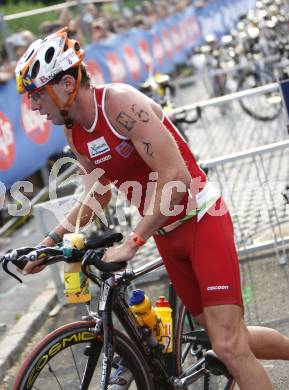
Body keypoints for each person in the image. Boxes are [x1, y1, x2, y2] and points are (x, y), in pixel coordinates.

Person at [14, 27, 289, 389]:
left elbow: (175, 177)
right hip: (165, 235)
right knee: (228, 337)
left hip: (201, 221)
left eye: (36, 94)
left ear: (66, 83)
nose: (33, 106)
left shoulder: (119, 103)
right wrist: (47, 242)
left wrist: (133, 241)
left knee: (228, 346)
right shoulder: (75, 132)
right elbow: (97, 194)